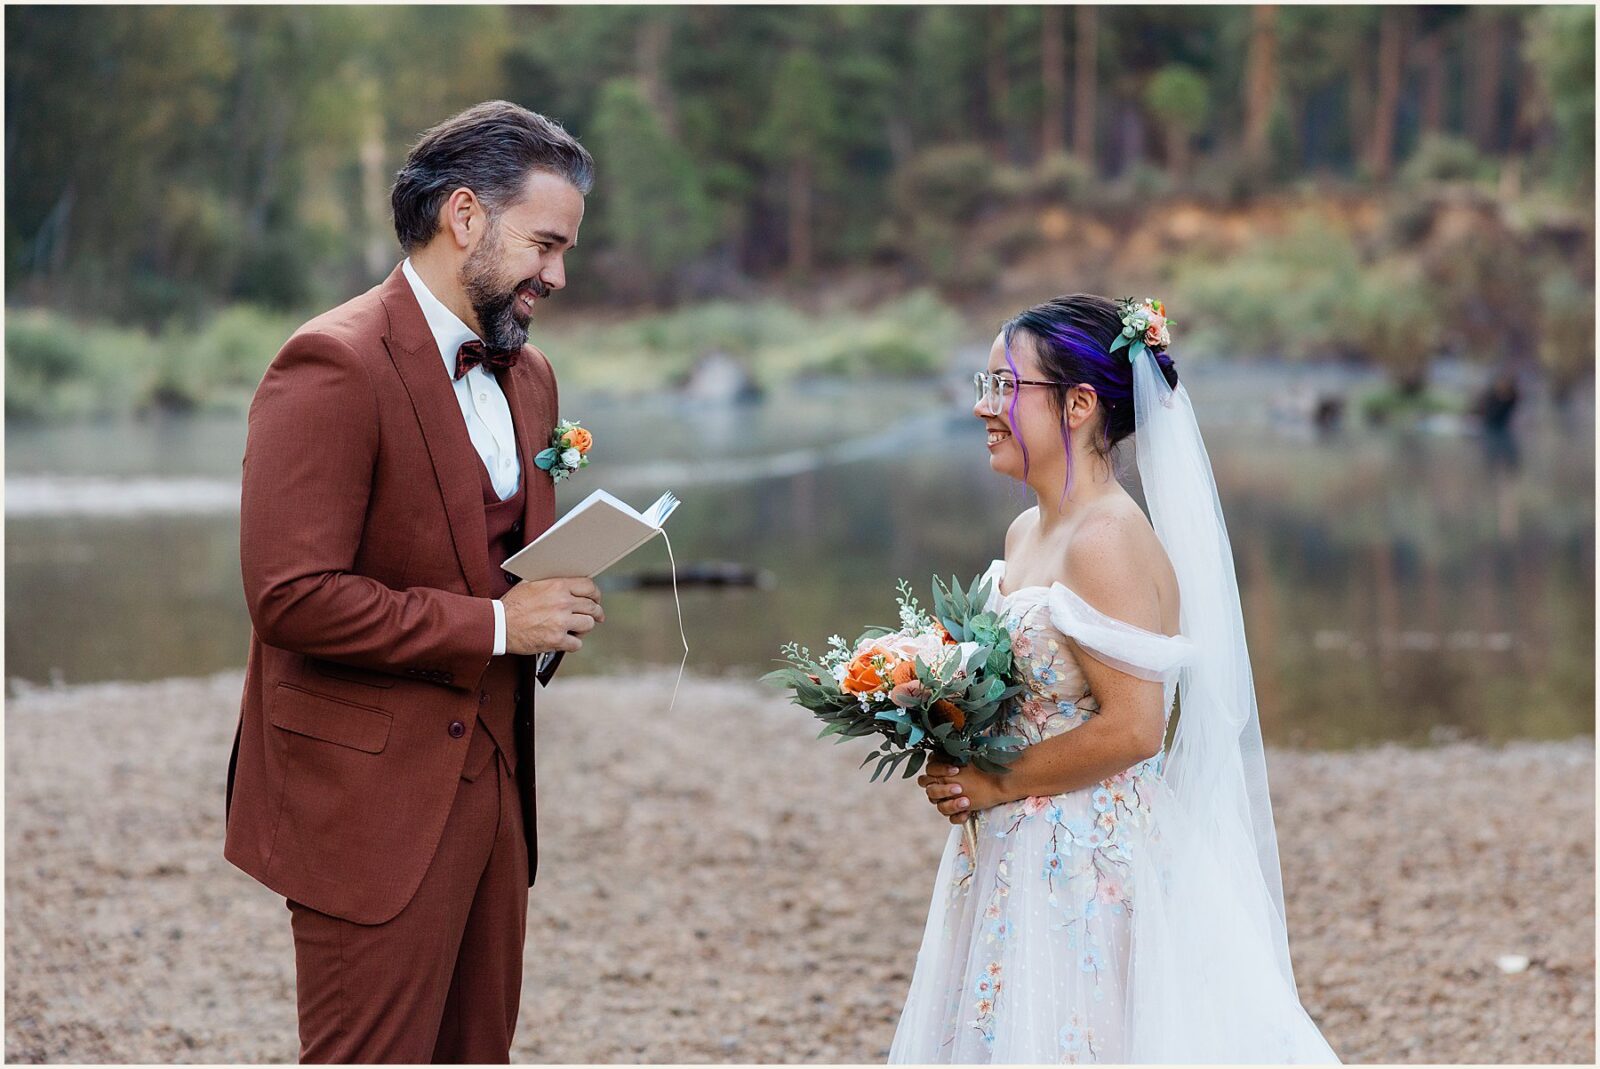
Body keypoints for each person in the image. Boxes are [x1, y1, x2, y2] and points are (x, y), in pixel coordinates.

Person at [223, 101, 604, 1063]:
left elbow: (494, 554)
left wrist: (554, 604)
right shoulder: (331, 363)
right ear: (465, 217)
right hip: (365, 796)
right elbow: (290, 595)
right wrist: (493, 626)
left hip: (498, 784)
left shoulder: (532, 376)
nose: (558, 275)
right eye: (546, 244)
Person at [892, 295, 1339, 1062]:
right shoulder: (1028, 529)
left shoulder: (1107, 539)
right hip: (1011, 851)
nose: (982, 405)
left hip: (1079, 866)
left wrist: (996, 782)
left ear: (1078, 403)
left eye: (1004, 386)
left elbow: (1134, 727)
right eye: (984, 382)